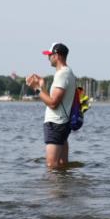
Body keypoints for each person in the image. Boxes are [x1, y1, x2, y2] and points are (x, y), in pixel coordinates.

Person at [26, 42, 76, 170]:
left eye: (50, 55)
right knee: (61, 165)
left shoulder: (62, 74)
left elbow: (53, 103)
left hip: (56, 124)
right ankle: (63, 189)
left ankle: (54, 190)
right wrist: (42, 86)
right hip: (61, 123)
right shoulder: (66, 73)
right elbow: (53, 99)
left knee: (51, 165)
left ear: (57, 55)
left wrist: (36, 89)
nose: (48, 58)